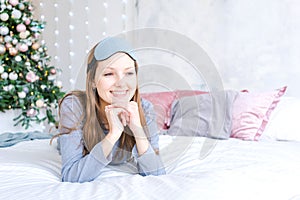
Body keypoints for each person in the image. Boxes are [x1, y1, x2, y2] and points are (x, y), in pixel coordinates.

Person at [56, 37, 166, 183]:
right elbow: (71, 176)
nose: (121, 83)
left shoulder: (145, 109)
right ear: (93, 81)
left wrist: (138, 131)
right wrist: (113, 134)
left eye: (129, 73)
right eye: (109, 74)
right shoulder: (74, 106)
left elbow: (158, 174)